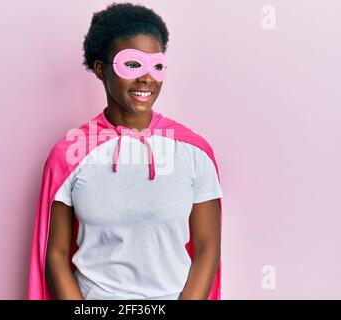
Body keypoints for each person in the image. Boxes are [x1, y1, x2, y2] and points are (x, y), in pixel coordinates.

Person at [28, 2, 224, 300]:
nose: (147, 78)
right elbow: (54, 254)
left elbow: (207, 248)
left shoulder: (193, 152)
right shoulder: (70, 154)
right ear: (100, 69)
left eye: (156, 66)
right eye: (132, 65)